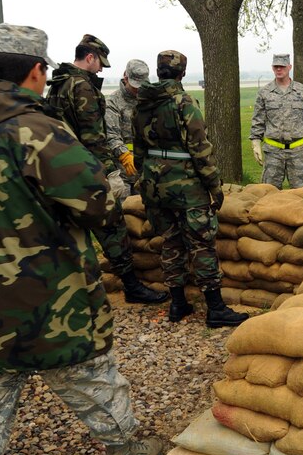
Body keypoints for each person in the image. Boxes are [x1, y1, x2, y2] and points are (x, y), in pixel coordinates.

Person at [0, 24, 163, 455]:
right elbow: (94, 200)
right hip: (41, 288)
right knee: (86, 370)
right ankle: (124, 450)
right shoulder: (33, 128)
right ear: (34, 70)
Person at [46, 34, 167, 305]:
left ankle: (68, 288)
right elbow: (94, 137)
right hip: (86, 169)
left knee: (69, 231)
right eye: (100, 63)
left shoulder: (59, 83)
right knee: (112, 226)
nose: (101, 69)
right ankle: (132, 286)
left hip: (61, 168)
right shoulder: (82, 87)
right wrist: (111, 172)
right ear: (90, 57)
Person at [132, 49, 249, 328]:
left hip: (155, 187)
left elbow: (138, 150)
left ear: (158, 72)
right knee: (201, 244)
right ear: (182, 73)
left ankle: (177, 304)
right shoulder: (183, 101)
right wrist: (214, 186)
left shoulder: (142, 103)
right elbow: (200, 148)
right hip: (187, 189)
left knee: (170, 243)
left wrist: (147, 178)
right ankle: (216, 308)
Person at [250, 53, 303, 189]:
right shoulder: (264, 93)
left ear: (289, 67)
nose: (279, 69)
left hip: (297, 151)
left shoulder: (302, 92)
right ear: (272, 68)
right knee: (269, 194)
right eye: (276, 66)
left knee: (301, 193)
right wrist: (255, 142)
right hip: (273, 152)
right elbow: (258, 121)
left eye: (282, 66)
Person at [105, 58, 150, 198]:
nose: (138, 89)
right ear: (126, 77)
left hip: (145, 172)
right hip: (123, 171)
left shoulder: (148, 100)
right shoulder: (113, 102)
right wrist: (124, 155)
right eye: (135, 85)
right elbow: (111, 135)